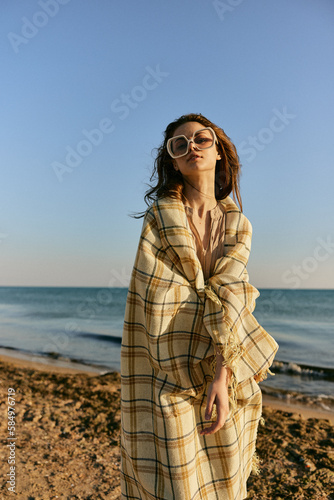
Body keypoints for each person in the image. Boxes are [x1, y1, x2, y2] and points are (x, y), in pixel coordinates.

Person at [121, 113, 278, 499]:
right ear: (173, 161)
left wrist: (221, 377)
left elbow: (233, 296)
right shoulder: (161, 217)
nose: (192, 146)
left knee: (225, 479)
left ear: (219, 150)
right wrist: (213, 306)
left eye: (201, 139)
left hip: (224, 367)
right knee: (173, 481)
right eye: (180, 144)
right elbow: (159, 298)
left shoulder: (238, 223)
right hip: (167, 366)